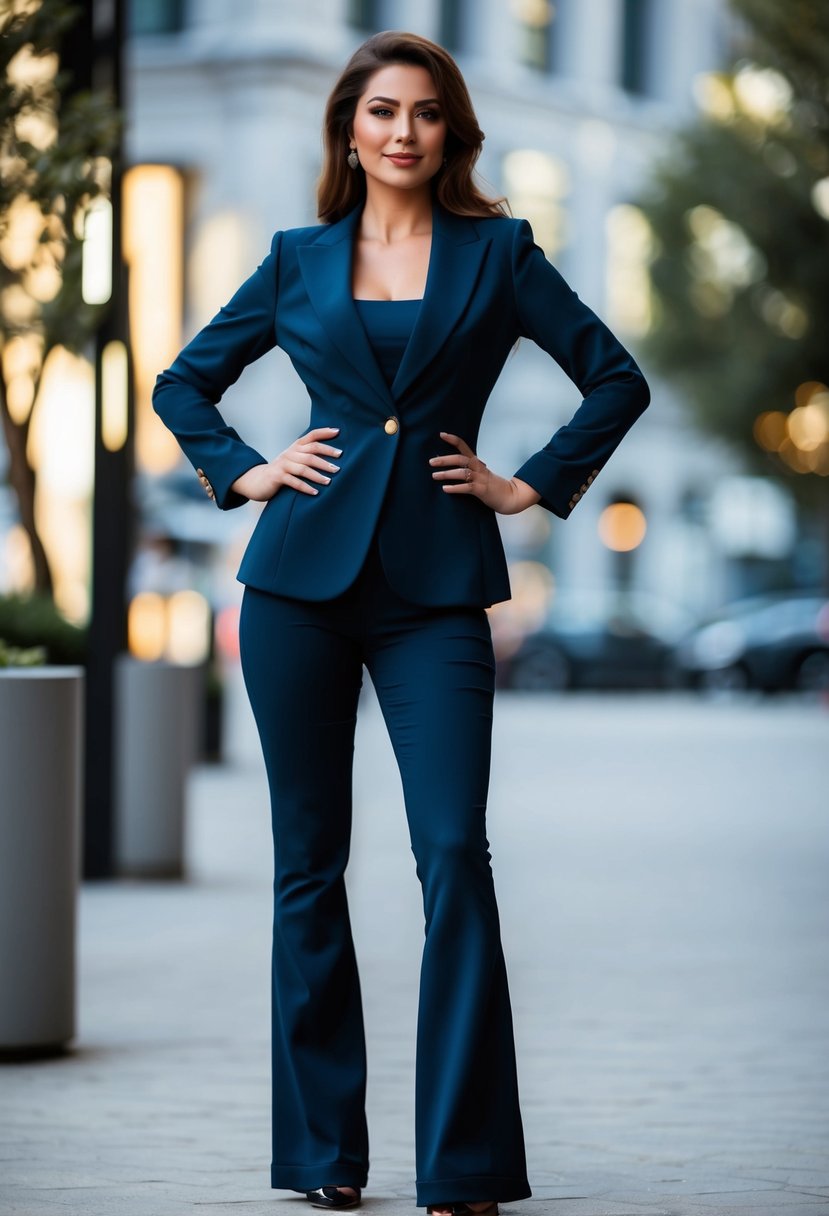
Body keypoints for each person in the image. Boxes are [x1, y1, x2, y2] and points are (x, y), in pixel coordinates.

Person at [152, 29, 650, 1216]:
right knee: (305, 870)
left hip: (435, 591)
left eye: (424, 113)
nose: (402, 132)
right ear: (349, 128)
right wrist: (245, 470)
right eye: (381, 111)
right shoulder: (294, 258)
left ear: (450, 131)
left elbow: (613, 374)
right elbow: (183, 382)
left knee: (451, 855)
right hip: (295, 590)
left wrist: (528, 481)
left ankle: (465, 1163)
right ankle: (325, 1153)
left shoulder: (498, 252)